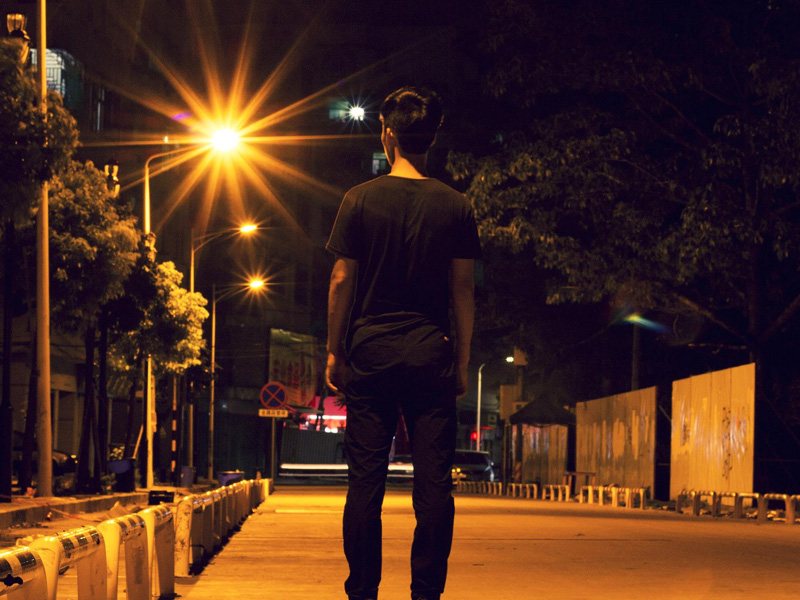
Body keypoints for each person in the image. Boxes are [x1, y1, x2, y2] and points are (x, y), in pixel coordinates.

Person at [326, 86, 481, 600]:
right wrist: (461, 361)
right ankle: (426, 593)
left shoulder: (359, 199)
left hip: (371, 353)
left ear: (388, 134)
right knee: (434, 485)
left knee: (365, 484)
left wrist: (334, 350)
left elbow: (341, 280)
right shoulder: (456, 206)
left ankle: (363, 592)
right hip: (431, 354)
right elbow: (463, 289)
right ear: (432, 138)